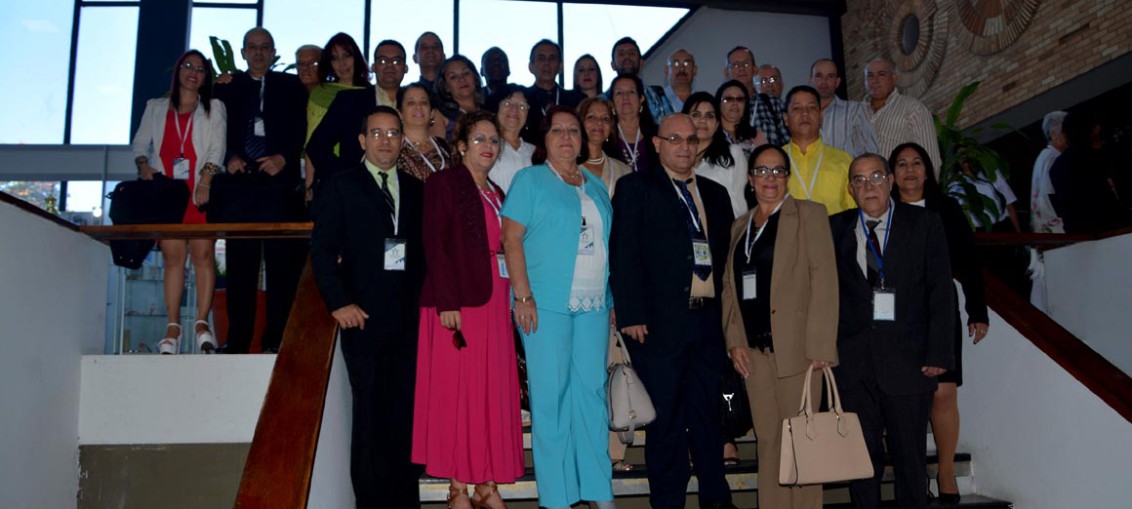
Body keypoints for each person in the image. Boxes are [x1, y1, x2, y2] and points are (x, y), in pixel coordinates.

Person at [611, 114, 738, 509]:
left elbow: (728, 263)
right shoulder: (635, 188)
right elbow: (624, 252)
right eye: (675, 139)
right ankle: (668, 503)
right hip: (657, 326)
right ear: (657, 143)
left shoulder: (716, 195)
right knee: (665, 423)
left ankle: (716, 500)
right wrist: (630, 312)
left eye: (691, 139)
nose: (684, 146)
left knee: (708, 419)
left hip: (707, 324)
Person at [501, 106, 617, 509]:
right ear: (544, 139)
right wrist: (523, 295)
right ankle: (556, 498)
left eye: (573, 131)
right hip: (544, 304)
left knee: (592, 395)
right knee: (551, 399)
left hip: (594, 306)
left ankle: (600, 492)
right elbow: (511, 239)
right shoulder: (529, 180)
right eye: (557, 131)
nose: (566, 137)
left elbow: (606, 247)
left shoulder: (595, 185)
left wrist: (612, 302)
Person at [310, 105, 425, 508]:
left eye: (393, 134)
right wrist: (338, 303)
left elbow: (424, 257)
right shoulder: (341, 187)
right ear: (362, 141)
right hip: (363, 323)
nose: (386, 141)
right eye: (377, 134)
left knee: (405, 420)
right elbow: (322, 252)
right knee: (370, 423)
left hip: (409, 325)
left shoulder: (416, 190)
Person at [413, 110, 524, 509]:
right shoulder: (444, 183)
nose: (488, 147)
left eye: (493, 140)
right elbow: (435, 244)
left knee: (488, 393)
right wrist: (447, 302)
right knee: (461, 394)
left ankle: (486, 483)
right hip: (459, 302)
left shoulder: (496, 190)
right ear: (460, 146)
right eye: (479, 139)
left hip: (495, 302)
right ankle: (458, 486)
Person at [830, 153, 954, 509]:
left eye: (876, 177)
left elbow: (941, 291)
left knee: (910, 463)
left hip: (910, 361)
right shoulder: (834, 227)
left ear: (890, 180)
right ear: (851, 188)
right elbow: (823, 294)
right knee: (861, 463)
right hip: (853, 365)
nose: (868, 186)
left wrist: (939, 353)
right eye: (859, 180)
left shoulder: (924, 222)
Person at [722, 144, 837, 509]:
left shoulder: (810, 215)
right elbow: (729, 288)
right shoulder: (740, 226)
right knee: (769, 441)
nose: (769, 179)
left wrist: (819, 348)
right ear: (751, 179)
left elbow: (824, 281)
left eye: (777, 171)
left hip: (799, 353)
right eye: (761, 171)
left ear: (787, 177)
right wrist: (734, 341)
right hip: (754, 355)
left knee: (802, 444)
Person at [890, 142, 988, 505]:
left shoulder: (945, 208)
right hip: (896, 314)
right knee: (910, 397)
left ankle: (945, 470)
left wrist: (977, 309)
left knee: (944, 393)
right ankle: (914, 473)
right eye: (901, 164)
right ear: (891, 173)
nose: (910, 170)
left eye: (917, 163)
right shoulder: (883, 209)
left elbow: (970, 257)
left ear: (927, 171)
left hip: (940, 307)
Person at [213, 27, 308, 354]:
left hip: (279, 184)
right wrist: (229, 157)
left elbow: (303, 129)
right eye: (252, 47)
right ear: (242, 53)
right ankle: (237, 342)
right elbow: (215, 130)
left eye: (265, 47)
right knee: (241, 269)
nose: (258, 52)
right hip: (241, 186)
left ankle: (276, 342)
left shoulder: (292, 86)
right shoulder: (226, 88)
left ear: (273, 52)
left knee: (283, 269)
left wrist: (284, 157)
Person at [131, 49, 226, 354]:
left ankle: (201, 323)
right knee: (173, 259)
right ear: (178, 70)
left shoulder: (214, 108)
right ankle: (172, 327)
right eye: (188, 65)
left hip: (199, 190)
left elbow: (217, 149)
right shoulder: (156, 107)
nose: (193, 72)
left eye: (200, 69)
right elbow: (139, 143)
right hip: (166, 195)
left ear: (205, 77)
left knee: (203, 255)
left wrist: (206, 180)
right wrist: (143, 165)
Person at [304, 33, 371, 190]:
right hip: (330, 173)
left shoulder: (371, 93)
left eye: (347, 56)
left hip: (366, 173)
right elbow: (312, 143)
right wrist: (309, 185)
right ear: (329, 64)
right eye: (335, 58)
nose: (342, 63)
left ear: (356, 58)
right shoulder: (320, 93)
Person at [782, 85, 856, 215]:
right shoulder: (775, 160)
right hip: (785, 234)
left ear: (821, 116)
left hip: (832, 234)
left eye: (811, 108)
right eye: (797, 108)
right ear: (786, 118)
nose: (805, 113)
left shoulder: (844, 160)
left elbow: (854, 213)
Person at [1049, 111, 1127, 233]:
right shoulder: (1096, 159)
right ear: (1093, 130)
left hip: (1078, 237)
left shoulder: (1056, 166)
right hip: (1110, 232)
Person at [864, 58, 942, 173]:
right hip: (864, 188)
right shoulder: (855, 114)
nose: (875, 80)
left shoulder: (913, 108)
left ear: (894, 78)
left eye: (881, 74)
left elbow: (931, 159)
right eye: (870, 76)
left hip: (899, 188)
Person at [683, 92, 749, 218]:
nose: (702, 120)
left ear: (717, 124)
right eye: (696, 115)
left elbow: (740, 204)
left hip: (725, 231)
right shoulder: (677, 157)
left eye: (709, 116)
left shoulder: (732, 154)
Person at [808, 58, 879, 157]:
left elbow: (872, 150)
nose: (824, 81)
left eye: (830, 76)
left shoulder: (854, 110)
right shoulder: (801, 114)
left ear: (837, 82)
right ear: (810, 80)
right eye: (819, 76)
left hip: (845, 172)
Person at [725, 47, 789, 148]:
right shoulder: (719, 108)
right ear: (726, 73)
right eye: (736, 65)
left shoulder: (772, 103)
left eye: (746, 64)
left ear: (755, 70)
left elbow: (789, 144)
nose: (741, 68)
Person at [523, 39, 585, 143]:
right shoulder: (523, 99)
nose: (546, 63)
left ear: (560, 67)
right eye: (541, 58)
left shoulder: (576, 100)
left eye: (552, 58)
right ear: (531, 66)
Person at [396, 83, 452, 182]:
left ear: (432, 113)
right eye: (411, 103)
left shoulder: (447, 148)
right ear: (400, 113)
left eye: (424, 102)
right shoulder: (394, 150)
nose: (418, 107)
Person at [484, 84, 534, 192]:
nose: (514, 109)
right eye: (507, 103)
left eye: (522, 106)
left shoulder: (535, 151)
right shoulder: (486, 147)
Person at [607, 36, 668, 124]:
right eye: (621, 54)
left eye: (632, 53)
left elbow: (670, 126)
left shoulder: (657, 94)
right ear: (613, 65)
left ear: (641, 63)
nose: (627, 57)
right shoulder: (603, 100)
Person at [579, 97, 631, 196]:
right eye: (591, 117)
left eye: (605, 118)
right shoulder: (566, 167)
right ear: (579, 122)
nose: (599, 122)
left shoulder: (624, 171)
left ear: (610, 128)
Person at [609, 74, 659, 174]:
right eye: (619, 93)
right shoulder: (606, 137)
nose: (625, 96)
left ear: (641, 99)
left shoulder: (658, 134)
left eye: (631, 92)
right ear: (612, 102)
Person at [1031, 111, 1068, 234]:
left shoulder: (1045, 156)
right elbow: (1050, 194)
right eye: (1065, 132)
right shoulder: (1052, 157)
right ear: (1052, 134)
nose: (1068, 137)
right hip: (1058, 230)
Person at [435, 55, 486, 142]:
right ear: (445, 86)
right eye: (453, 77)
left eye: (466, 73)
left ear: (475, 77)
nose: (462, 79)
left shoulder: (489, 111)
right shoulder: (440, 114)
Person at [715, 79, 765, 158]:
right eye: (728, 99)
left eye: (740, 99)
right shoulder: (711, 134)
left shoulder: (756, 136)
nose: (735, 103)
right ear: (718, 103)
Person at [655, 49, 697, 116]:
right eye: (676, 64)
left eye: (687, 64)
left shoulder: (703, 101)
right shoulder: (656, 102)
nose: (682, 68)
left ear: (695, 70)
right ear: (667, 70)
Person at [373, 39, 409, 108]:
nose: (389, 65)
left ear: (405, 68)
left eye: (396, 61)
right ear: (373, 67)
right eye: (383, 61)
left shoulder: (416, 102)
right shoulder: (351, 100)